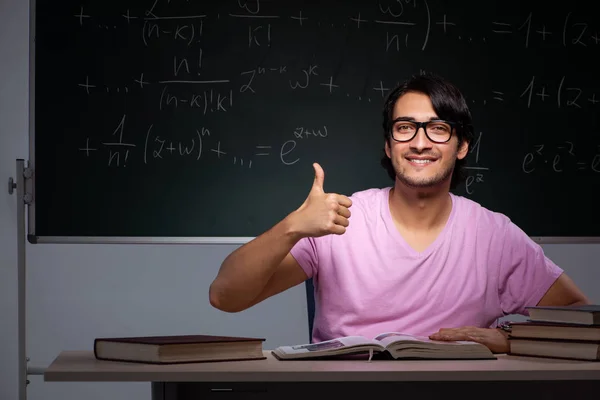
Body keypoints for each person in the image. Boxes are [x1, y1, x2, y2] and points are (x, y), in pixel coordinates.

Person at [209, 73, 590, 353]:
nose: (420, 143)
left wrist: (508, 340)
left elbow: (580, 314)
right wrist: (292, 226)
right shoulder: (339, 219)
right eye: (405, 128)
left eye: (438, 129)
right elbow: (226, 297)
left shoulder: (495, 234)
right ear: (389, 146)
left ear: (461, 146)